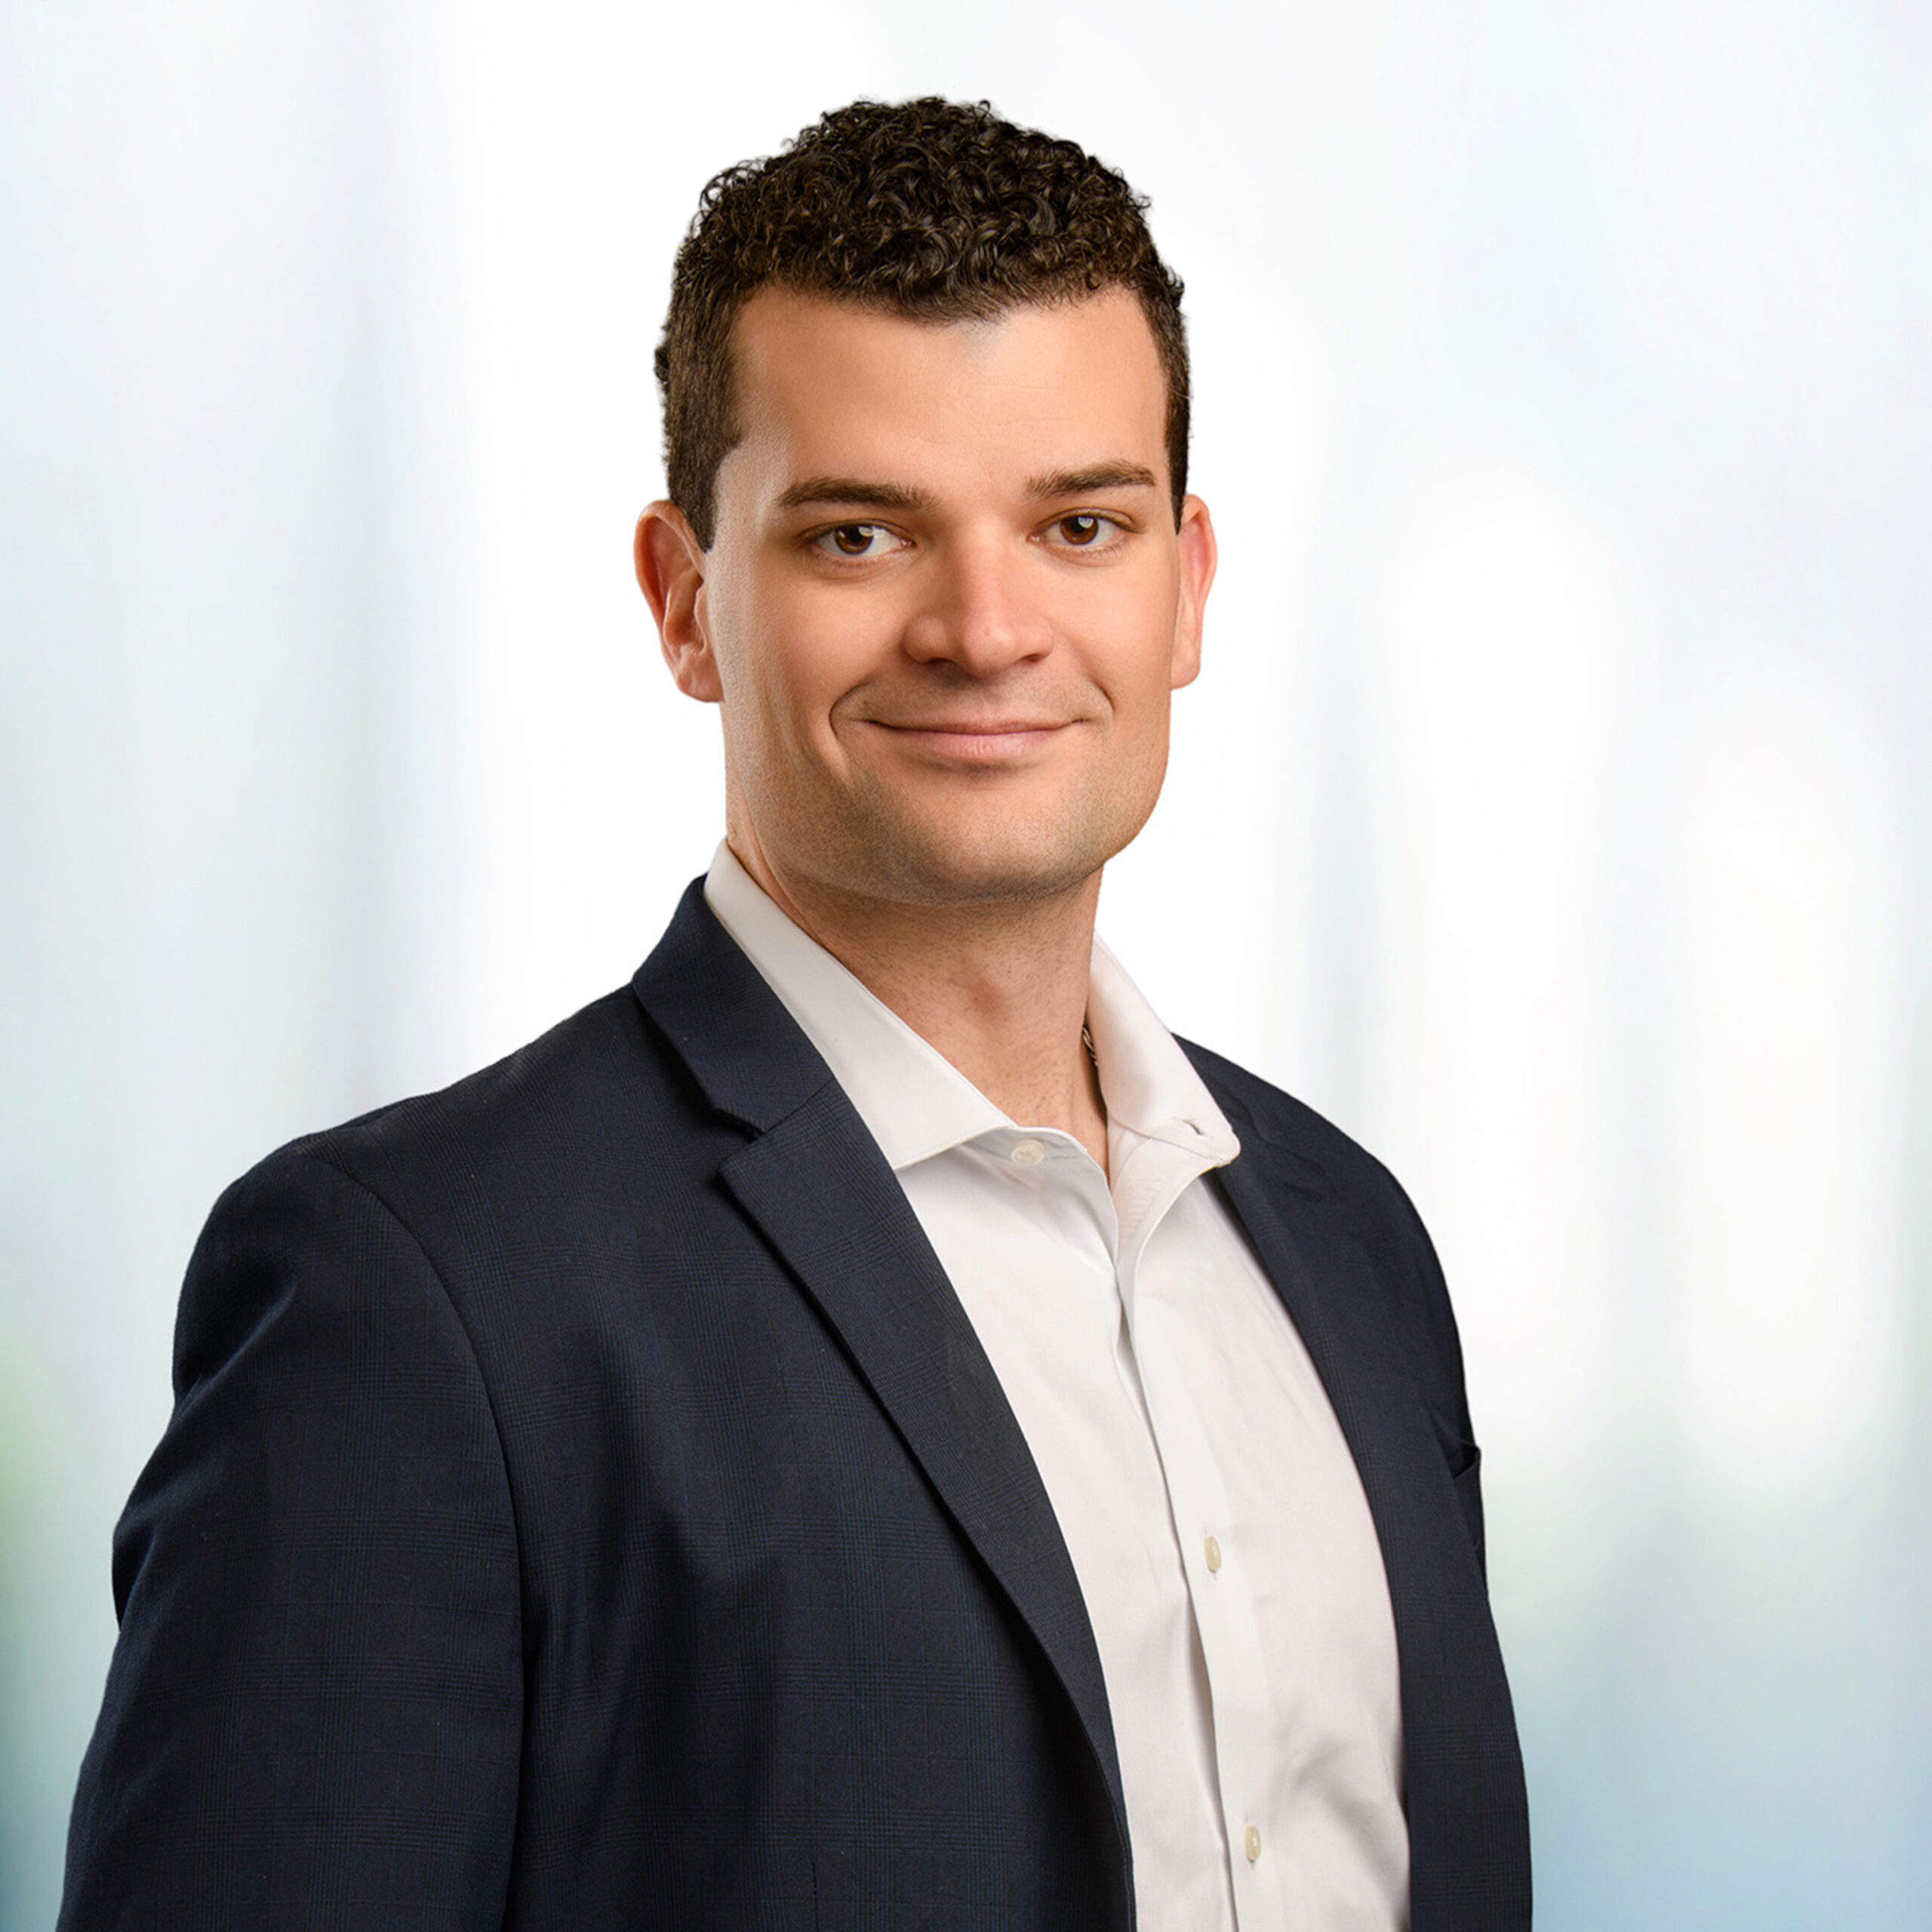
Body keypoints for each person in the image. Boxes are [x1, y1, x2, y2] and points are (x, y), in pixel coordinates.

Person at [60, 98, 1529, 1930]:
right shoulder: (418, 1298)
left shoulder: (1347, 1241)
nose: (984, 626)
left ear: (1185, 587)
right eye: (858, 537)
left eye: (1078, 521)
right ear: (685, 602)